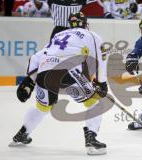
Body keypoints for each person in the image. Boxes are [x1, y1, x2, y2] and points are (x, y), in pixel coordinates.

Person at [9, 12, 108, 155]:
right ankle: (92, 139)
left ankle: (22, 134)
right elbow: (101, 58)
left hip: (45, 72)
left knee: (42, 107)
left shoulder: (58, 35)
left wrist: (29, 80)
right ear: (85, 23)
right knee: (94, 102)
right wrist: (101, 82)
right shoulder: (90, 35)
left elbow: (36, 57)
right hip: (69, 72)